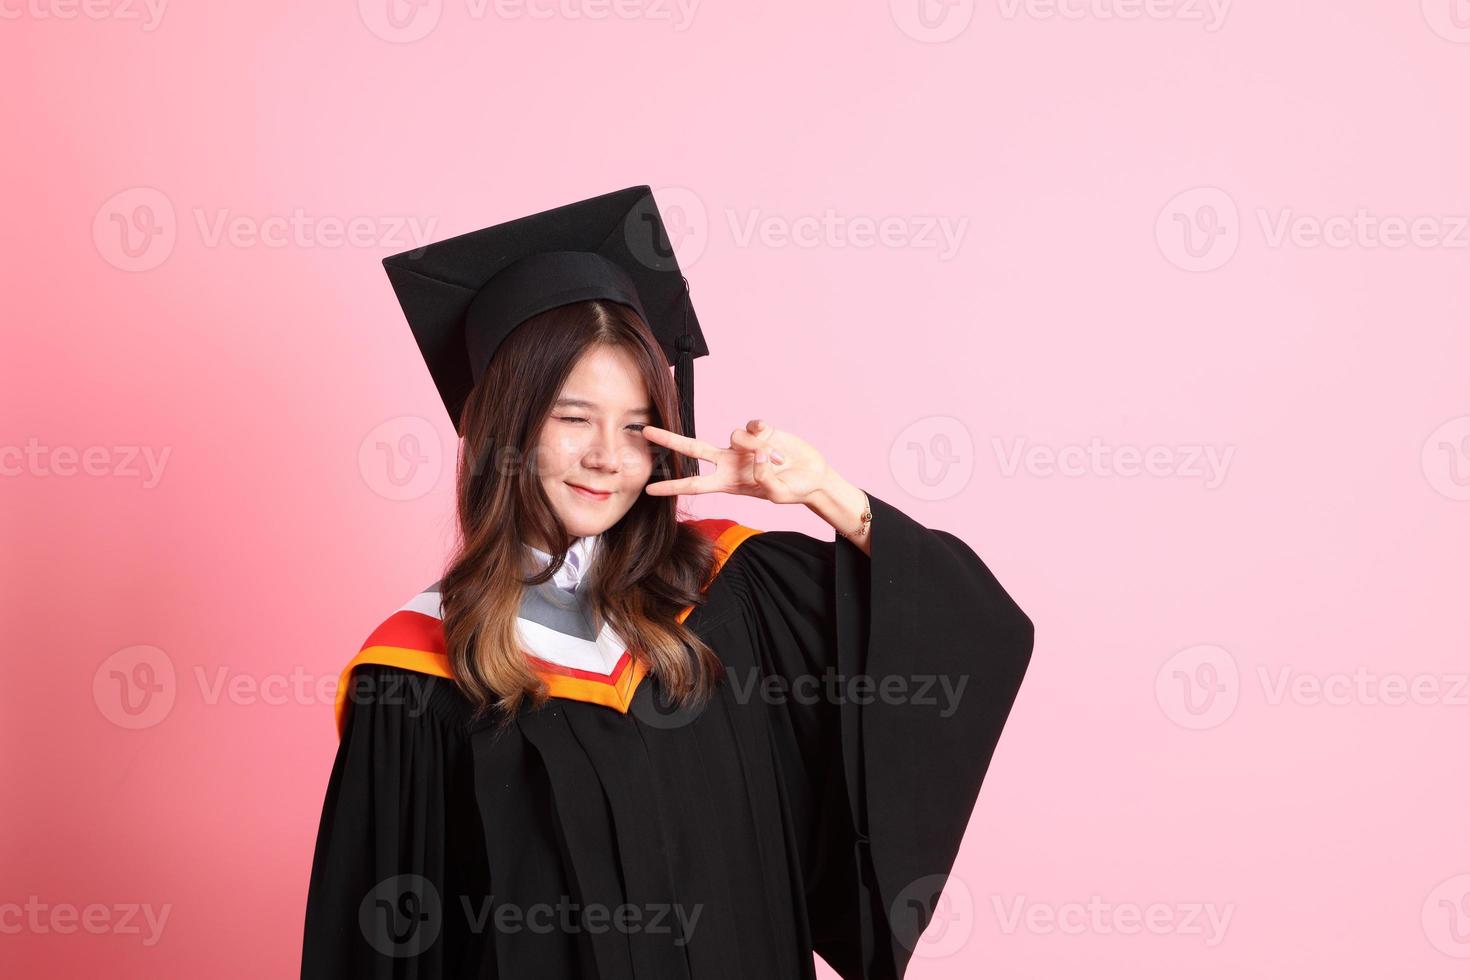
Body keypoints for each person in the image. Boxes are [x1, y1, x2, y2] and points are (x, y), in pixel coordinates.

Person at [299, 186, 1035, 979]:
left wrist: (824, 492)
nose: (608, 459)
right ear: (501, 430)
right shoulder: (415, 681)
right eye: (571, 418)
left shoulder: (734, 596)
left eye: (635, 426)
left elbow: (965, 633)